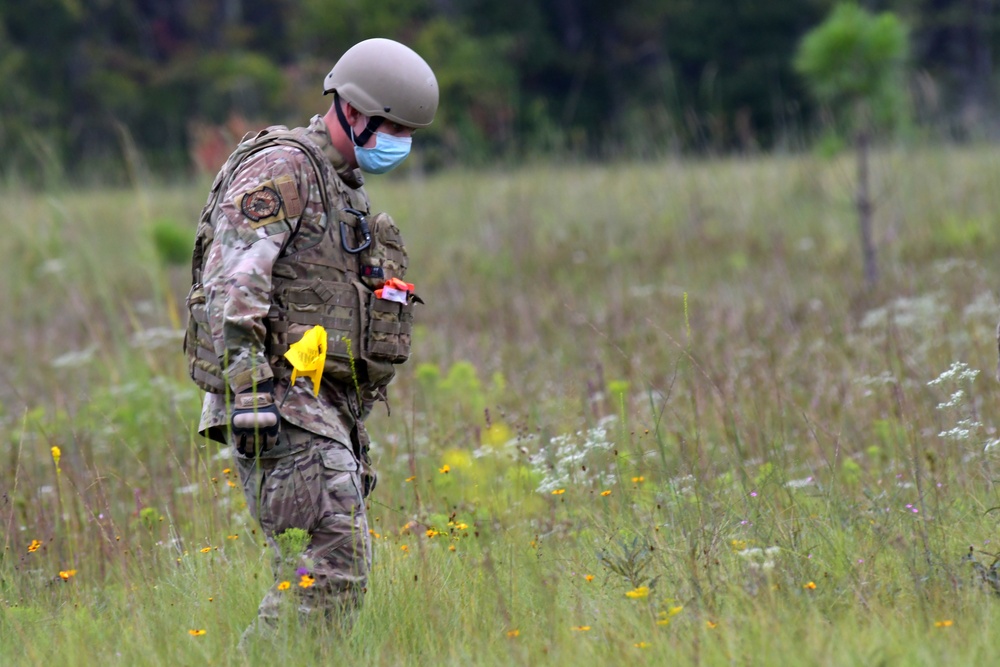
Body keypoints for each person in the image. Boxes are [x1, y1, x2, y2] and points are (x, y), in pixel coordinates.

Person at [184, 37, 438, 639]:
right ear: (352, 109)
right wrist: (249, 394)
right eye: (393, 126)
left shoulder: (343, 185)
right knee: (330, 573)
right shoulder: (284, 169)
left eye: (409, 131)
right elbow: (232, 282)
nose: (400, 142)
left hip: (319, 404)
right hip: (276, 400)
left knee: (320, 576)